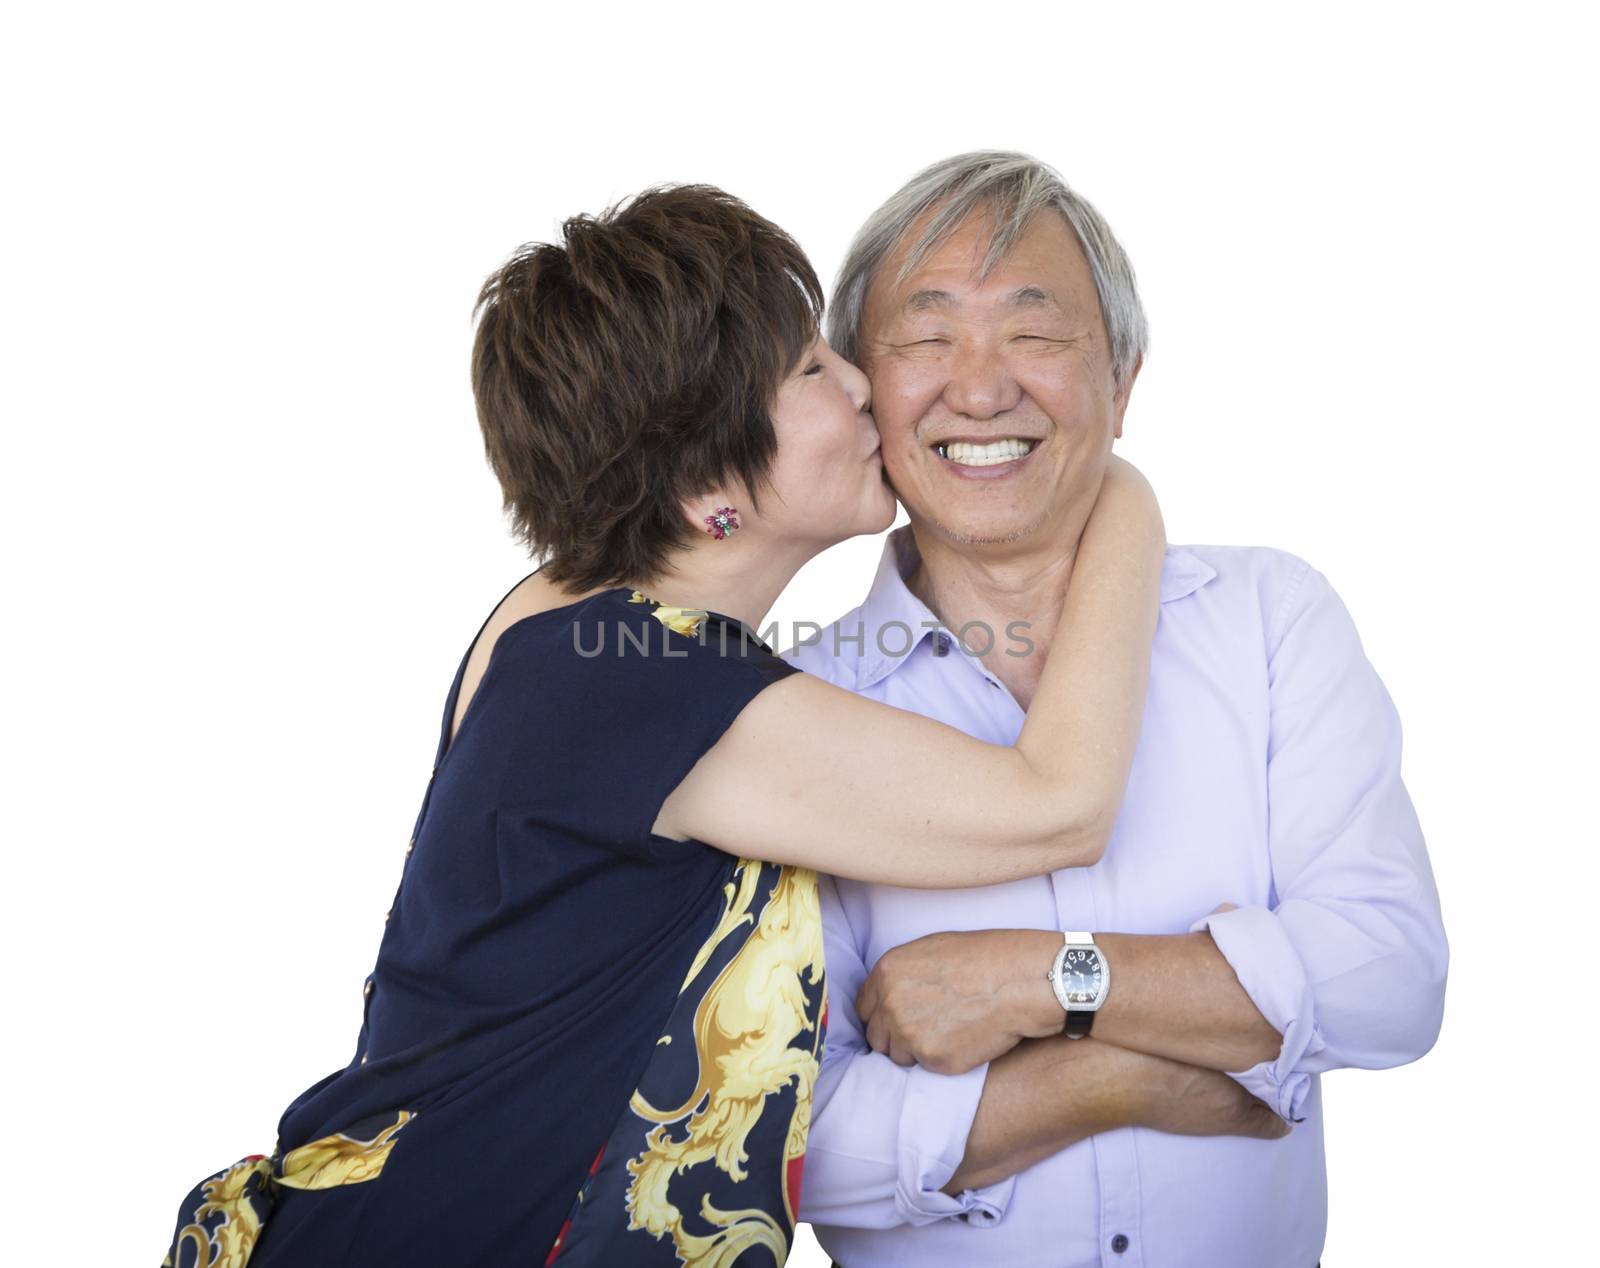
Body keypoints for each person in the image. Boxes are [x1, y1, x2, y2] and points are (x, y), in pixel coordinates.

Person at [160, 184, 1173, 1268]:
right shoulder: (642, 683)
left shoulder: (560, 619)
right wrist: (1119, 488)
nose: (867, 384)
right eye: (811, 370)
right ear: (704, 485)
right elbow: (1057, 805)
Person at [786, 151, 1448, 1268]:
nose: (983, 387)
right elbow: (785, 1141)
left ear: (1124, 379)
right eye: (926, 336)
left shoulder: (1267, 620)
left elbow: (1388, 975)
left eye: (1035, 334)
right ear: (860, 389)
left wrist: (1044, 978)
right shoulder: (798, 708)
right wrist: (1105, 1073)